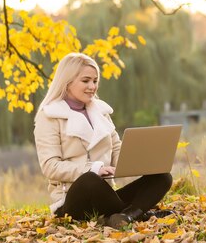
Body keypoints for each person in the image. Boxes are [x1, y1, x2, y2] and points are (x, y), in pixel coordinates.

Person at [34, 52, 173, 228]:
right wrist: (94, 169)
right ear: (67, 82)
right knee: (91, 179)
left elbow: (116, 150)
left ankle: (127, 216)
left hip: (106, 197)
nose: (92, 86)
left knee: (163, 177)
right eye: (85, 81)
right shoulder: (49, 116)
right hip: (71, 202)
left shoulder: (100, 112)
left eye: (95, 81)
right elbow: (50, 166)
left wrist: (142, 161)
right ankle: (139, 213)